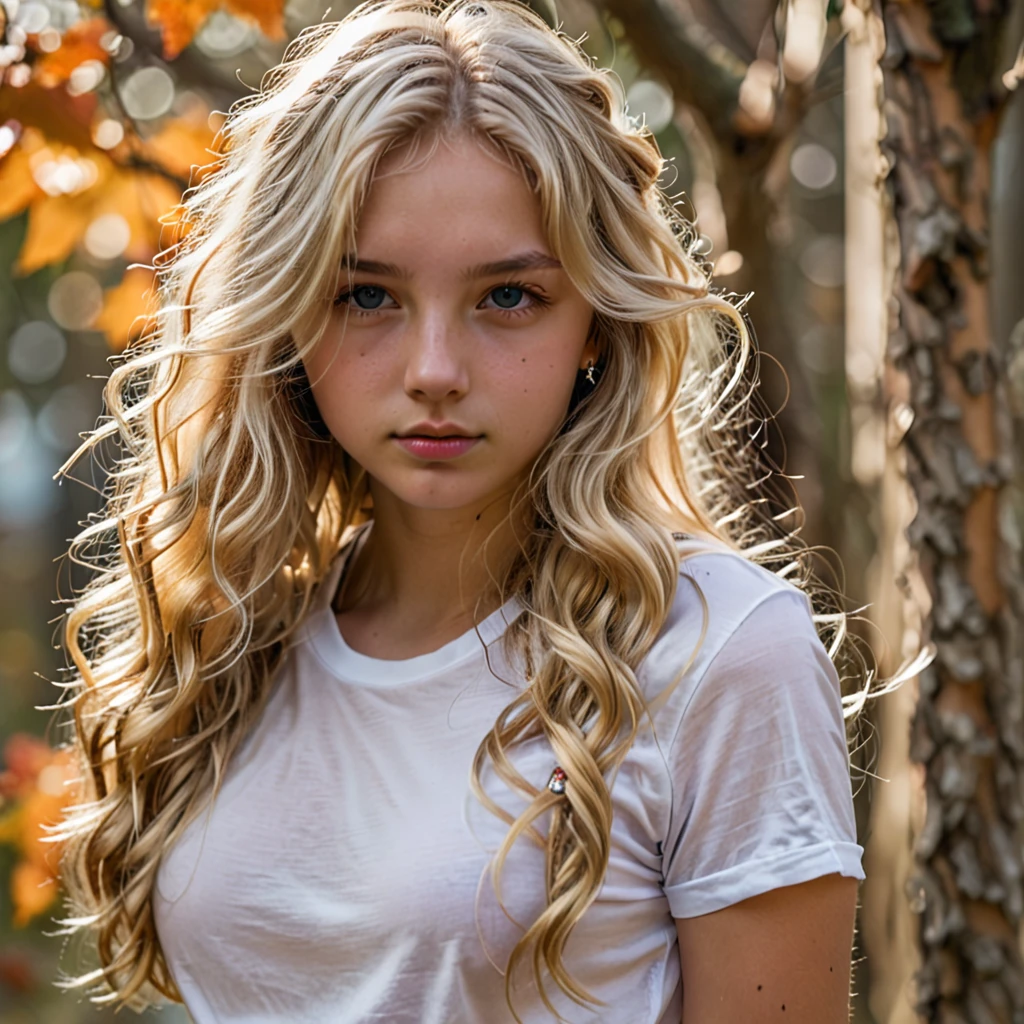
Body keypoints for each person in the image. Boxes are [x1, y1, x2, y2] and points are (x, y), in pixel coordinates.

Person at [49, 1, 873, 1021]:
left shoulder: (720, 650)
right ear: (288, 314)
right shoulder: (238, 632)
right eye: (367, 296)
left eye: (507, 297)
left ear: (596, 325)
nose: (434, 371)